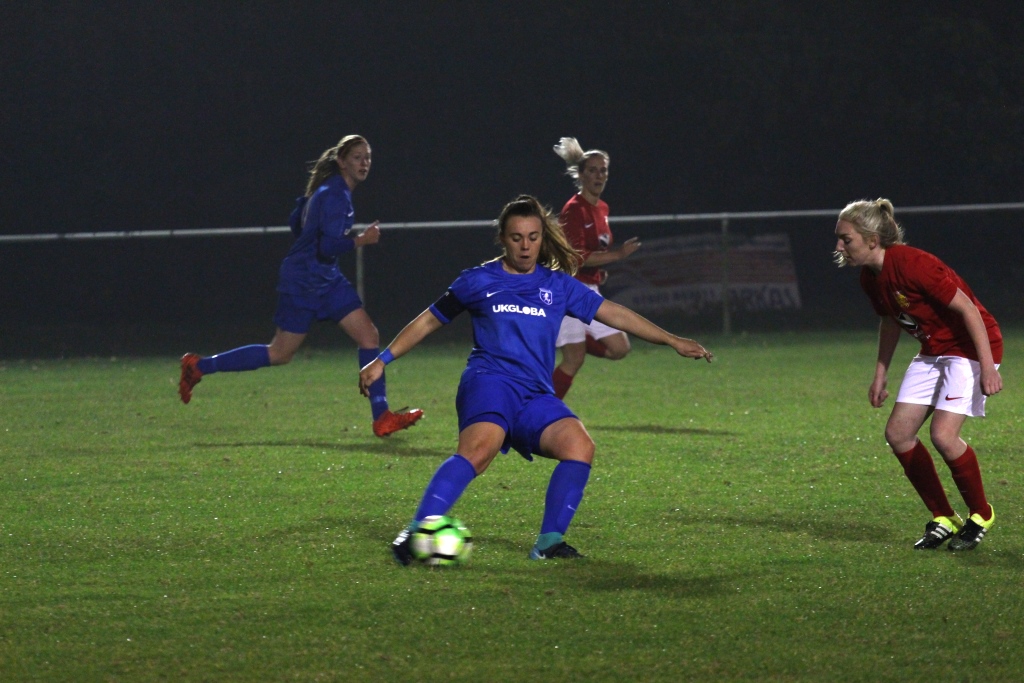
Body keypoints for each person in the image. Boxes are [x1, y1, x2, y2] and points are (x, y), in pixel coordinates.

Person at [359, 195, 712, 564]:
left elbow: (615, 315)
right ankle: (417, 531)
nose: (525, 246)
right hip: (489, 382)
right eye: (516, 238)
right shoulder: (478, 280)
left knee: (579, 447)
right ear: (502, 238)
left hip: (534, 394)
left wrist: (672, 339)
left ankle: (548, 543)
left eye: (532, 237)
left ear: (543, 238)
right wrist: (383, 360)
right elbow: (429, 319)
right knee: (479, 453)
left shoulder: (558, 285)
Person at [179, 135, 423, 438]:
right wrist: (362, 239)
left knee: (368, 335)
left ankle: (382, 416)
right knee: (280, 353)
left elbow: (297, 223)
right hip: (305, 280)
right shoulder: (334, 195)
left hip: (325, 278)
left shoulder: (330, 192)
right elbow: (326, 245)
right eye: (358, 157)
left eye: (368, 157)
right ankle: (199, 366)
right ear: (341, 161)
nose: (365, 163)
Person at [834, 198, 1003, 551]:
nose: (839, 246)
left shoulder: (914, 264)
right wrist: (880, 374)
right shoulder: (871, 278)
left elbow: (969, 311)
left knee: (943, 435)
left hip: (970, 348)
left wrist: (987, 367)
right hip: (933, 351)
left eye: (845, 239)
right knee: (898, 433)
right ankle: (943, 516)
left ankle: (980, 513)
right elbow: (890, 321)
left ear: (870, 239)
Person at [550, 137, 642, 400]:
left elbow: (594, 253)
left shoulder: (602, 208)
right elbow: (576, 257)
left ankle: (569, 338)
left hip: (589, 288)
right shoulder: (573, 209)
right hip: (569, 289)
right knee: (573, 359)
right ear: (580, 175)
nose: (599, 175)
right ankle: (542, 411)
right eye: (592, 170)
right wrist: (618, 255)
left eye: (603, 170)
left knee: (619, 348)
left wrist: (600, 270)